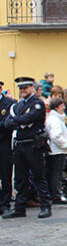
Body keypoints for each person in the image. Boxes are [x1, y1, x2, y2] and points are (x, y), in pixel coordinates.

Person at [2, 76, 52, 219]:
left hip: (33, 144)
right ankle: (19, 208)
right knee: (20, 178)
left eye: (25, 88)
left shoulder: (37, 104)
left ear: (32, 88)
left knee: (38, 176)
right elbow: (7, 123)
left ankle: (45, 206)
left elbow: (28, 118)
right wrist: (19, 120)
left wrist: (16, 120)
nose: (22, 90)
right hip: (20, 144)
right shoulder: (17, 106)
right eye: (20, 88)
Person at [45, 97, 67, 205]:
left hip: (55, 150)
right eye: (62, 105)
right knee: (56, 173)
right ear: (56, 107)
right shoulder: (55, 120)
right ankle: (56, 195)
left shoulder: (54, 118)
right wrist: (66, 144)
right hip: (57, 150)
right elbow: (55, 136)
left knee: (54, 173)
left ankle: (54, 193)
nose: (64, 107)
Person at [0, 81, 17, 216]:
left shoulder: (9, 103)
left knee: (6, 175)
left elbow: (8, 123)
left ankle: (5, 204)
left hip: (4, 143)